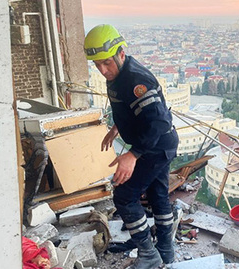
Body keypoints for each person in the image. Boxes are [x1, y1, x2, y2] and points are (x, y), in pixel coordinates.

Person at [84, 24, 178, 269]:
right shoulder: (119, 76)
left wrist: (134, 154)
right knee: (158, 193)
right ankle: (165, 251)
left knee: (125, 196)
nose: (103, 70)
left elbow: (158, 121)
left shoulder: (137, 80)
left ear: (121, 54)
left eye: (107, 63)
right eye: (97, 65)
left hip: (156, 145)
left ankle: (149, 255)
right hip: (158, 143)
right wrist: (118, 126)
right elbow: (129, 108)